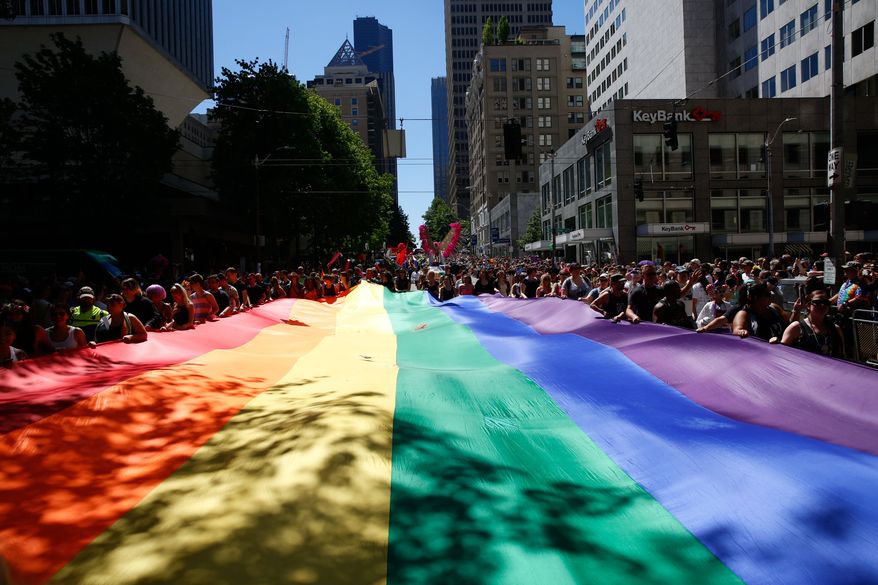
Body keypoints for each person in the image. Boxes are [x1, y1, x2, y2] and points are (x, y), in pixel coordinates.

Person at [781, 290, 844, 358]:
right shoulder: (796, 328)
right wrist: (775, 343)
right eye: (817, 302)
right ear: (808, 305)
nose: (822, 305)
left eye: (826, 302)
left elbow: (842, 355)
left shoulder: (836, 329)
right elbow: (781, 353)